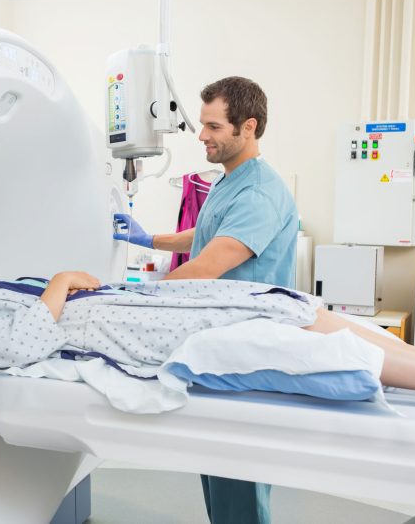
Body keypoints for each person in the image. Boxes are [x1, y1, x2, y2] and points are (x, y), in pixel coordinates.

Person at [0, 254, 415, 403]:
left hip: (131, 308)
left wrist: (71, 285)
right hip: (129, 334)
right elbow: (21, 346)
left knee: (281, 302)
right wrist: (60, 284)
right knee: (275, 321)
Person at [111, 76, 294, 524]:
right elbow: (207, 232)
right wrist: (149, 238)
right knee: (216, 468)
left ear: (247, 127)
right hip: (219, 344)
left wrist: (130, 300)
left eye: (213, 127)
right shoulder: (231, 180)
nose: (202, 136)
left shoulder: (258, 192)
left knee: (239, 481)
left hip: (246, 351)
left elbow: (208, 265)